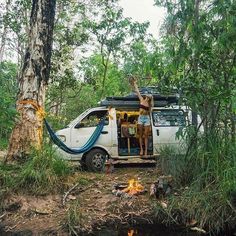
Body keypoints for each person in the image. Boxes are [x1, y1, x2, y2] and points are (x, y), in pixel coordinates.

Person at [130, 77, 153, 157]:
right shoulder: (141, 100)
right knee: (140, 134)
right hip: (140, 117)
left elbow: (150, 111)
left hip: (146, 118)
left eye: (148, 97)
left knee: (146, 135)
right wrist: (135, 83)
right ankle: (141, 150)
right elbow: (137, 91)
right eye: (147, 96)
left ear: (149, 98)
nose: (147, 97)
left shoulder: (150, 104)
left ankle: (146, 151)